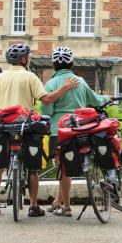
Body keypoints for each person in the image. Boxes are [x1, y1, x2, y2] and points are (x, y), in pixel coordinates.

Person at [0, 43, 78, 217]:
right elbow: (47, 100)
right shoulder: (30, 77)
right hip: (25, 127)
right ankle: (33, 206)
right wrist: (65, 87)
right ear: (24, 59)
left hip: (2, 126)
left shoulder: (0, 78)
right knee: (33, 168)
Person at [42, 46, 110, 217]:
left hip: (59, 131)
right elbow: (95, 100)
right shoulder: (81, 81)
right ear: (72, 63)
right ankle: (57, 202)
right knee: (66, 168)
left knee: (64, 168)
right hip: (80, 129)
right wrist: (107, 98)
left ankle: (66, 207)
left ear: (54, 64)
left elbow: (46, 112)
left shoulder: (50, 84)